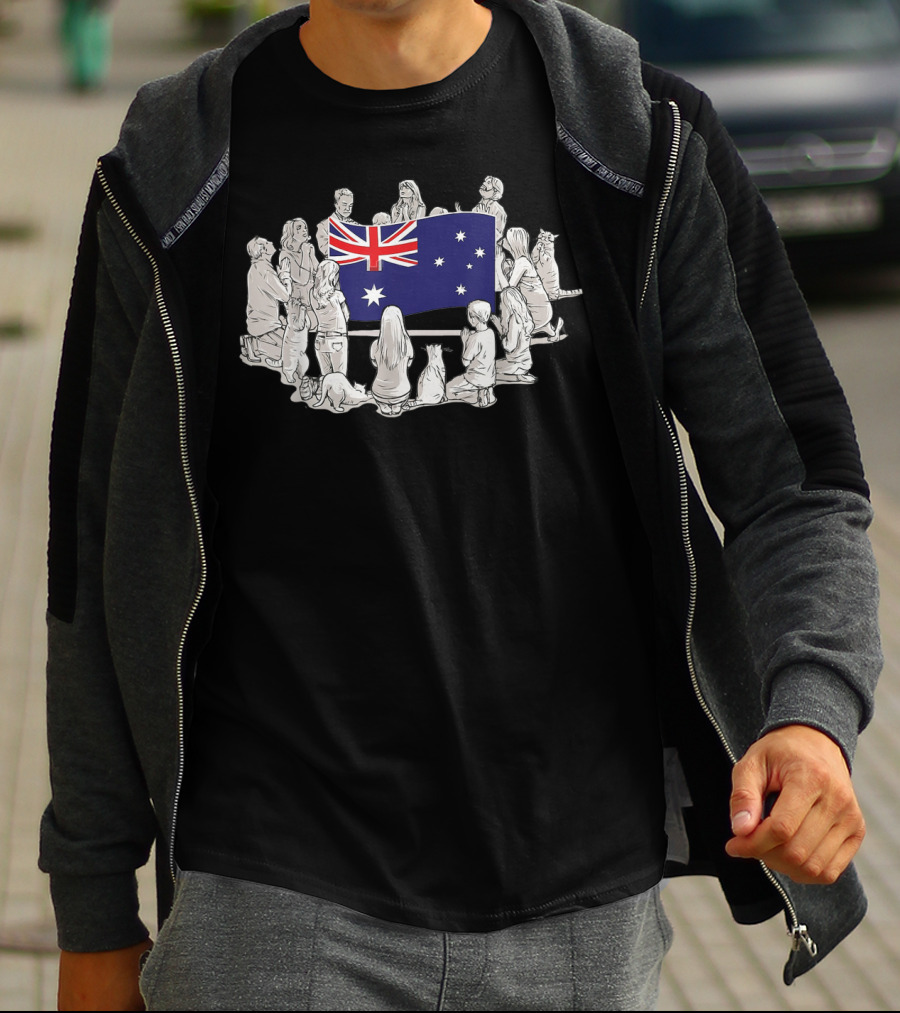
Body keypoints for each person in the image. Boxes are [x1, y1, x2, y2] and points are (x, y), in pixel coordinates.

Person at [41, 1, 881, 1011]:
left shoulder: (636, 136)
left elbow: (796, 480)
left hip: (582, 889)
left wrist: (813, 715)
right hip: (271, 889)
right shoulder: (174, 166)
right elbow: (91, 558)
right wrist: (93, 907)